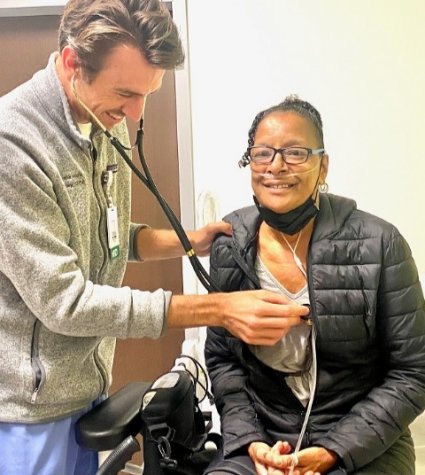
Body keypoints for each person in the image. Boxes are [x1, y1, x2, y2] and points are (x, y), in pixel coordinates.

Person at [0, 2, 310, 474]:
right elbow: (64, 302)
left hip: (84, 381)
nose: (135, 112)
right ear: (71, 64)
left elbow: (99, 237)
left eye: (148, 93)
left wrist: (184, 240)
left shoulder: (101, 119)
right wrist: (218, 309)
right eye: (125, 92)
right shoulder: (14, 146)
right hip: (28, 405)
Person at [204, 95, 425, 475]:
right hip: (263, 433)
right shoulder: (230, 243)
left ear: (323, 165)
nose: (276, 166)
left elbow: (414, 371)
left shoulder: (379, 242)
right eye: (263, 153)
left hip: (360, 437)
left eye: (295, 153)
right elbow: (224, 361)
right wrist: (249, 441)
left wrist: (333, 451)